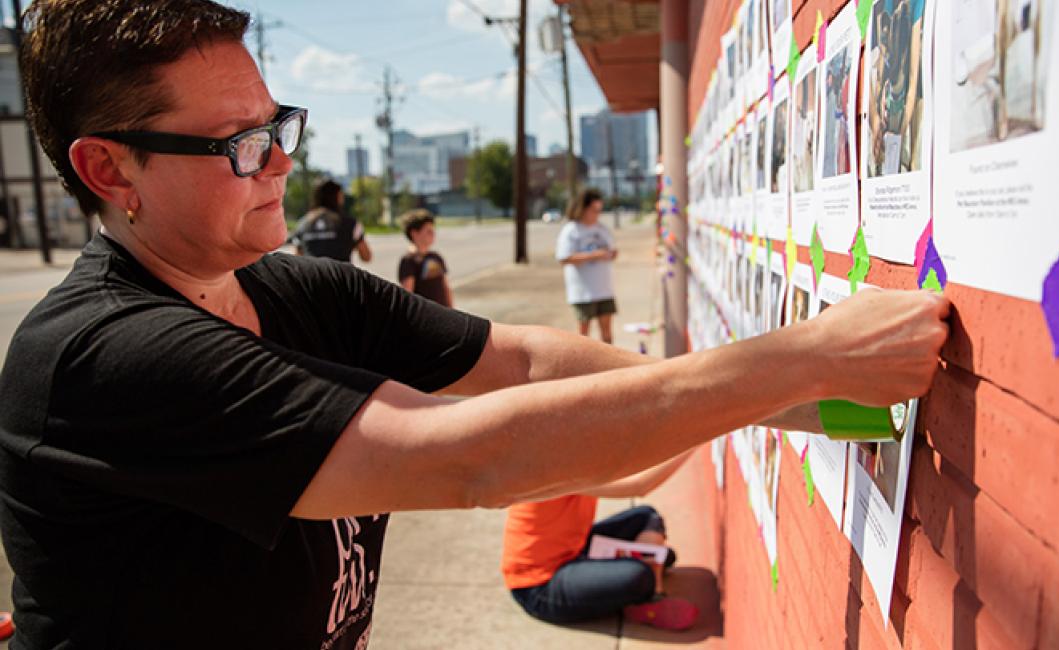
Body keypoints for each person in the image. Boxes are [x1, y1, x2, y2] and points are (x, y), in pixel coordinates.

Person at [0, 1, 950, 648]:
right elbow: (464, 461)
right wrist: (801, 357)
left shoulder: (299, 292)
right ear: (110, 171)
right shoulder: (101, 358)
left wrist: (805, 391)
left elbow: (530, 363)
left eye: (277, 127)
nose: (279, 162)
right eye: (237, 147)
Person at [503, 450, 699, 630]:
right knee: (639, 575)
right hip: (540, 586)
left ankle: (645, 581)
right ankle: (649, 597)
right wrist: (699, 437)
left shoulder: (573, 454)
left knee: (647, 518)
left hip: (575, 547)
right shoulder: (554, 469)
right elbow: (639, 485)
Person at [556, 188, 617, 343]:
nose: (597, 214)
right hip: (582, 292)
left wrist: (611, 254)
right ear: (583, 208)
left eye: (599, 210)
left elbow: (611, 249)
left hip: (604, 289)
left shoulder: (601, 228)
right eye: (594, 210)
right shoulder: (571, 230)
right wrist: (595, 255)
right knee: (584, 337)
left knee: (607, 335)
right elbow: (564, 258)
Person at [290, 179, 372, 263]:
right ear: (338, 197)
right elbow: (366, 257)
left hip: (311, 275)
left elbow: (296, 259)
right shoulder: (351, 224)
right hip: (341, 275)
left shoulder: (302, 224)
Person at [397, 208, 452, 307]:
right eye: (428, 231)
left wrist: (451, 310)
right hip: (425, 317)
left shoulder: (436, 257)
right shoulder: (409, 260)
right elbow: (408, 295)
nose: (433, 234)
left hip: (443, 314)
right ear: (414, 233)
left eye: (433, 230)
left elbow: (445, 287)